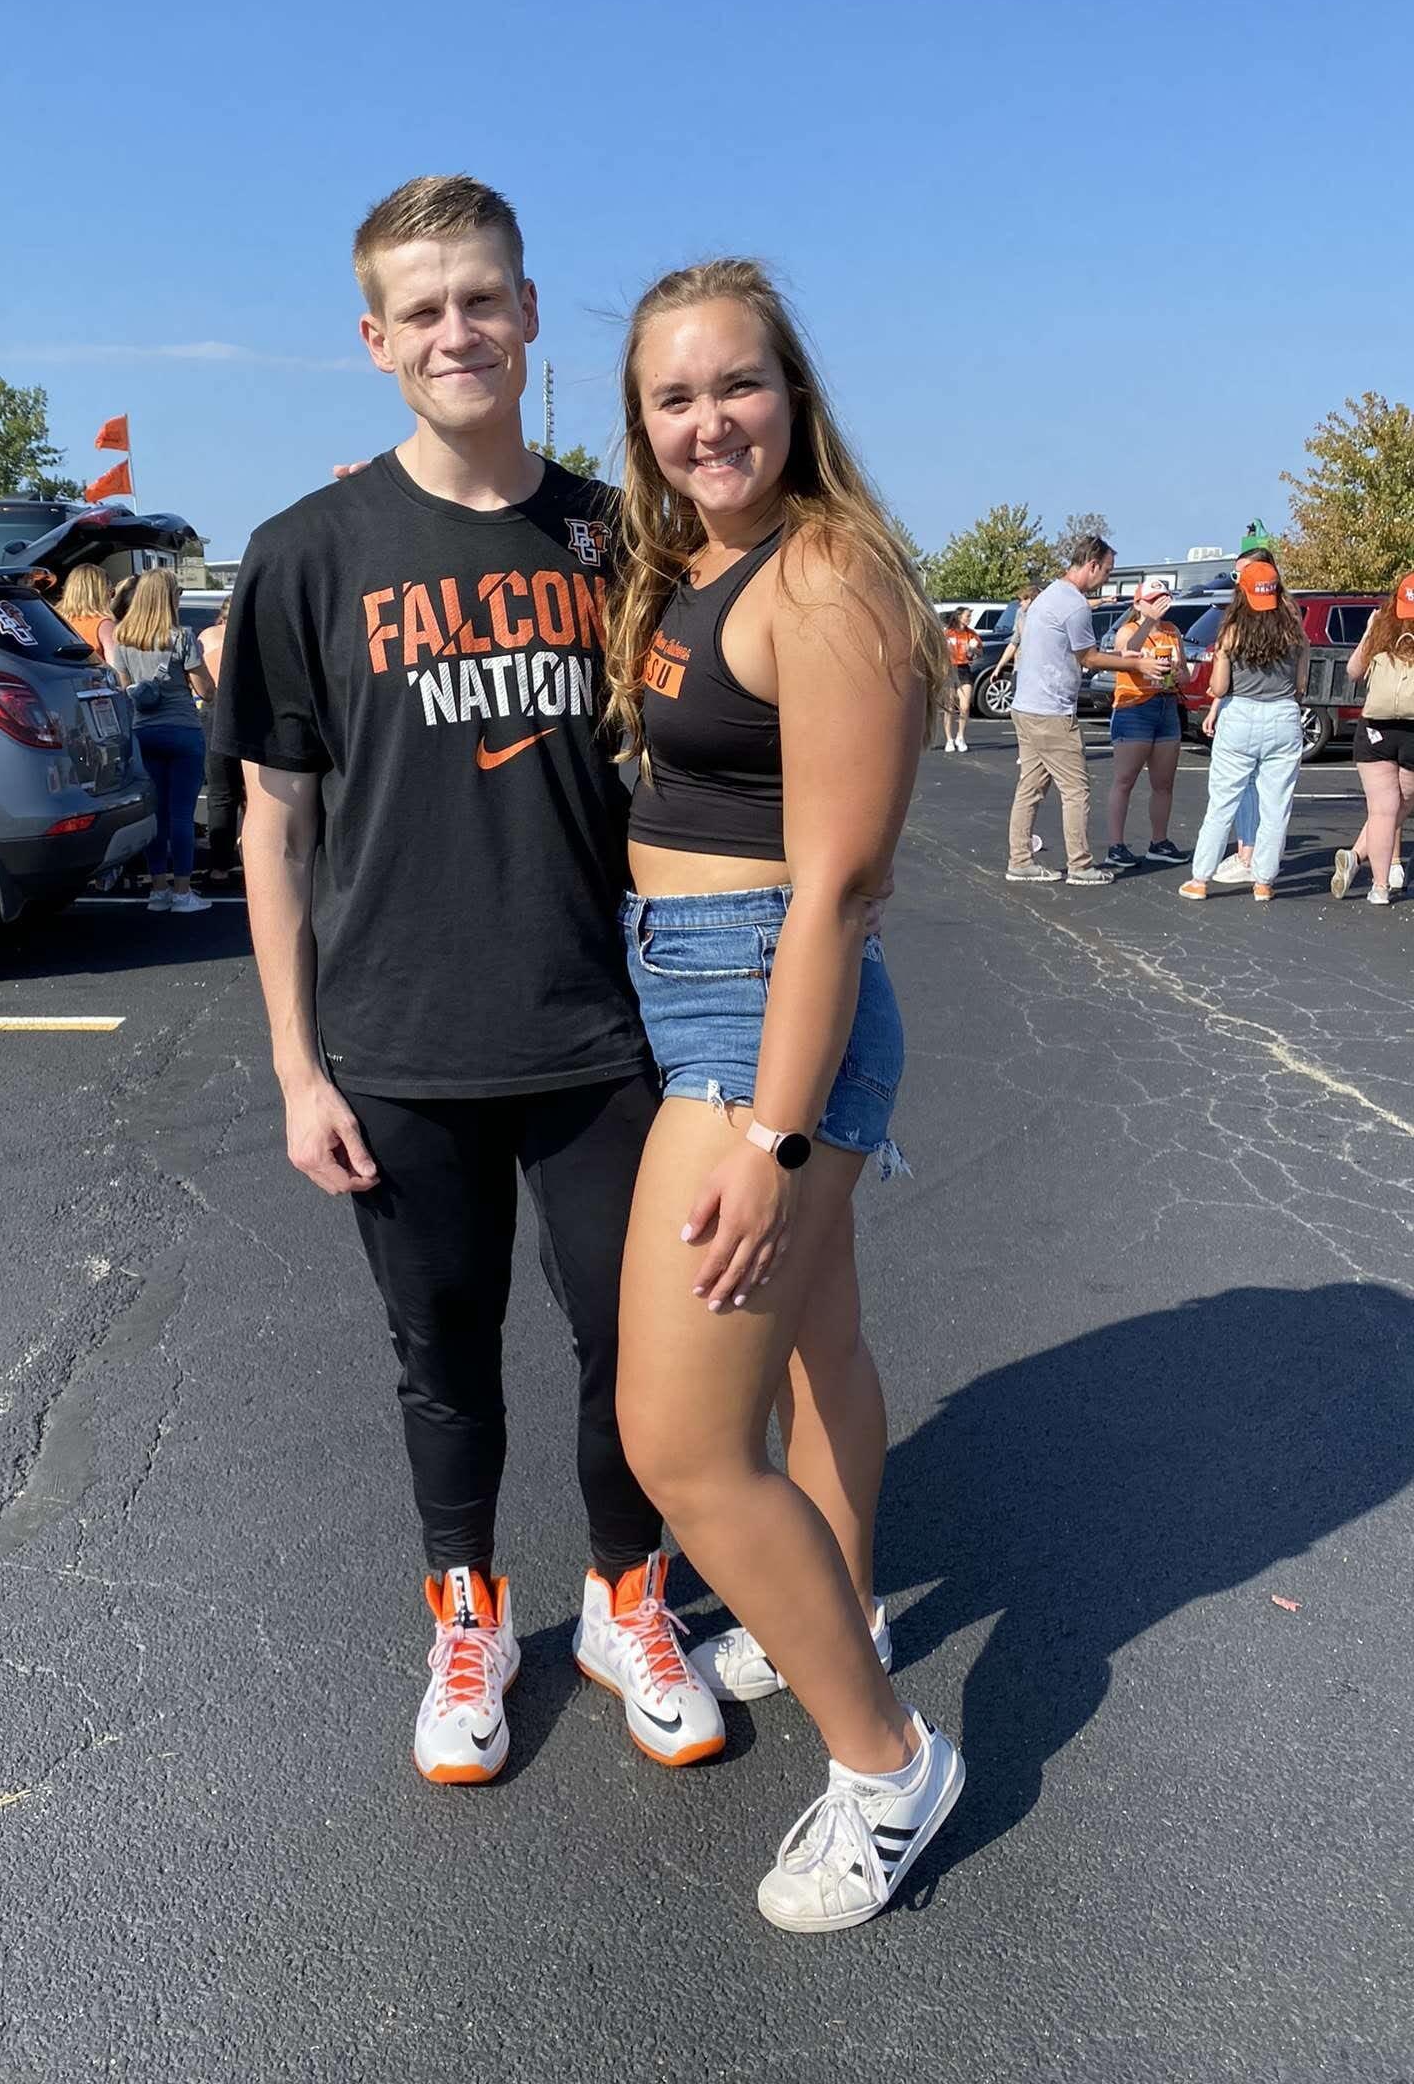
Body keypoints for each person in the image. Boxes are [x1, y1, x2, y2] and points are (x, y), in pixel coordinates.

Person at [208, 175, 723, 1788]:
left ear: (530, 313)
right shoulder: (306, 553)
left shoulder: (621, 537)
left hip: (603, 1029)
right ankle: (470, 1618)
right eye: (422, 310)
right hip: (397, 1043)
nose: (457, 332)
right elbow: (275, 825)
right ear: (375, 340)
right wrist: (296, 1066)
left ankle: (626, 1599)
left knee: (634, 1345)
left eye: (482, 299)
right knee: (442, 1353)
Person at [604, 256, 963, 1935]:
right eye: (673, 396)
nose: (709, 421)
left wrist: (768, 1134)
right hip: (708, 987)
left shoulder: (821, 573)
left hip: (761, 1018)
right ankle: (849, 1611)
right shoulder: (695, 560)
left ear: (793, 391)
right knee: (821, 1349)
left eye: (736, 383)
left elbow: (836, 885)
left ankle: (889, 1766)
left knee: (680, 1444)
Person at [1004, 536, 1152, 886]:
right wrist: (1137, 665)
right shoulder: (1074, 604)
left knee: (1031, 787)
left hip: (1026, 706)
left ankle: (1020, 860)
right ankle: (1081, 866)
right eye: (1108, 571)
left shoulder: (1048, 596)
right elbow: (1089, 658)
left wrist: (1123, 657)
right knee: (1076, 789)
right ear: (1092, 565)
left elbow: (1074, 652)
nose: (1108, 578)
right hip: (1051, 711)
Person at [1178, 560, 1308, 903]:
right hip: (1283, 714)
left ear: (1242, 592)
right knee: (1276, 806)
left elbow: (1220, 687)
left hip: (1240, 715)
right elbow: (1301, 685)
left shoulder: (1231, 632)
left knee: (1222, 802)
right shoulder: (1294, 632)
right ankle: (1263, 881)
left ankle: (1200, 879)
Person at [104, 570, 215, 913]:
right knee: (182, 815)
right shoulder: (182, 637)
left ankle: (158, 890)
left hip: (144, 732)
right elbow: (206, 691)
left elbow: (124, 690)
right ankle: (183, 892)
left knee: (156, 816)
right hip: (182, 730)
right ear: (168, 598)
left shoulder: (123, 639)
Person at [1331, 573, 1414, 905]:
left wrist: (1369, 630)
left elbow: (1353, 671)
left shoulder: (1381, 627)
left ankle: (1379, 887)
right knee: (1400, 807)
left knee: (1382, 811)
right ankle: (1357, 856)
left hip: (1375, 730)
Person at [1105, 576, 1188, 868]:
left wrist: (1179, 675)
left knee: (1163, 783)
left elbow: (1185, 671)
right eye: (1152, 600)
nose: (1159, 605)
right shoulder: (1128, 630)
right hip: (1134, 707)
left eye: (1163, 599)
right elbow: (1128, 650)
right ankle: (1116, 845)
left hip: (1166, 704)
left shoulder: (1172, 631)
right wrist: (1148, 621)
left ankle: (1159, 841)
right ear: (1138, 603)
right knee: (1125, 779)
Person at [197, 595, 244, 887]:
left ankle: (219, 868)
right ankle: (254, 863)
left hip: (215, 716)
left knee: (220, 796)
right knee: (255, 799)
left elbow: (199, 683)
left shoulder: (208, 637)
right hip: (252, 715)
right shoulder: (256, 634)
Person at [941, 607, 981, 752]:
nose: (969, 619)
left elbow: (980, 652)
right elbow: (939, 651)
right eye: (967, 616)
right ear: (959, 617)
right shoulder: (947, 633)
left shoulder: (971, 634)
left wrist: (973, 650)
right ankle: (949, 739)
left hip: (964, 669)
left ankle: (960, 736)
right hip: (949, 669)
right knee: (949, 706)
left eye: (970, 616)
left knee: (965, 706)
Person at [54, 564, 113, 654]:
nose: (111, 597)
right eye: (111, 592)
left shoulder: (53, 620)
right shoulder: (104, 626)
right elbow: (116, 661)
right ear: (101, 593)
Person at [990, 580, 1038, 685]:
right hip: (1020, 667)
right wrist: (999, 667)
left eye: (1022, 600)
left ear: (1029, 600)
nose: (1020, 603)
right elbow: (1014, 643)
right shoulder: (1020, 613)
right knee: (1014, 689)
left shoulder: (1043, 617)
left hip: (1036, 670)